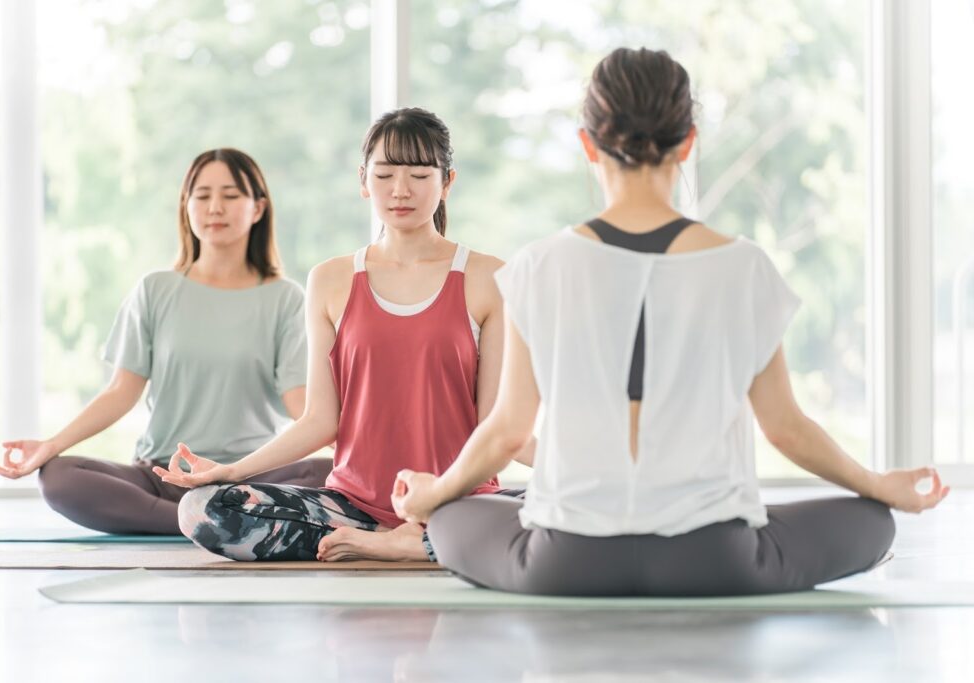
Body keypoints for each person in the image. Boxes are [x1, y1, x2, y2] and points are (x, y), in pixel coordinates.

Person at [391, 47, 950, 596]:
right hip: (718, 559)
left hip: (565, 562)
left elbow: (508, 429)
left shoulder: (539, 266)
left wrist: (434, 493)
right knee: (876, 523)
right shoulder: (743, 265)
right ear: (688, 142)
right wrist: (880, 486)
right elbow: (785, 427)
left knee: (450, 518)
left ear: (588, 145)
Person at [158, 108, 531, 562]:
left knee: (567, 512)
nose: (400, 190)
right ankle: (410, 545)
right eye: (385, 174)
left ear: (447, 182)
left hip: (458, 505)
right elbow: (320, 420)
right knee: (203, 509)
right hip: (351, 510)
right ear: (363, 180)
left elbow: (496, 424)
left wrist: (588, 473)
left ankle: (412, 544)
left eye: (419, 174)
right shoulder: (331, 279)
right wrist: (231, 471)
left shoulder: (488, 277)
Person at [0, 148, 331, 534]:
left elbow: (300, 402)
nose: (215, 207)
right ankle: (210, 525)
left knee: (336, 474)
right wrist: (50, 446)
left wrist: (358, 445)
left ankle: (218, 519)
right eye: (202, 196)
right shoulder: (155, 290)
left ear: (257, 208)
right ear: (186, 206)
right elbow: (121, 391)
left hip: (249, 480)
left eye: (231, 195)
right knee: (60, 477)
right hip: (163, 478)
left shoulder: (285, 298)